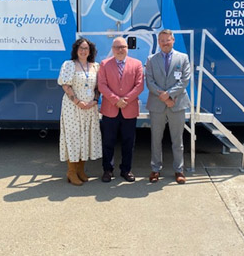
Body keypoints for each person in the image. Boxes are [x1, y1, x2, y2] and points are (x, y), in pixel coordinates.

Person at [145, 29, 191, 184]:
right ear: (158, 42)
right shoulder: (151, 59)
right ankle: (155, 169)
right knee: (156, 139)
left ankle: (179, 170)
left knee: (177, 140)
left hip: (177, 104)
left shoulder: (183, 58)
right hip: (157, 105)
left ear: (173, 40)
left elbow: (184, 81)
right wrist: (165, 98)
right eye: (162, 40)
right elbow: (149, 82)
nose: (165, 43)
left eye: (167, 40)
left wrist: (170, 95)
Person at [97, 37, 144, 182]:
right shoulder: (104, 64)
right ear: (112, 49)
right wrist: (116, 100)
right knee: (108, 142)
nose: (120, 50)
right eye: (116, 47)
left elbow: (139, 85)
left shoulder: (137, 64)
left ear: (127, 48)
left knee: (128, 142)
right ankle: (107, 170)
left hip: (129, 109)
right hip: (110, 109)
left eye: (122, 46)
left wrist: (126, 100)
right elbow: (102, 85)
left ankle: (126, 170)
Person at [58, 38, 102, 186]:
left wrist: (94, 101)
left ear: (90, 51)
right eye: (81, 48)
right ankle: (71, 171)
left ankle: (80, 170)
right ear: (76, 50)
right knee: (73, 137)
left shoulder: (95, 66)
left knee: (86, 136)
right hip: (73, 107)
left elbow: (98, 87)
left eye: (86, 49)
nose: (84, 51)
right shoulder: (69, 64)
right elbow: (65, 84)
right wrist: (77, 102)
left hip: (90, 108)